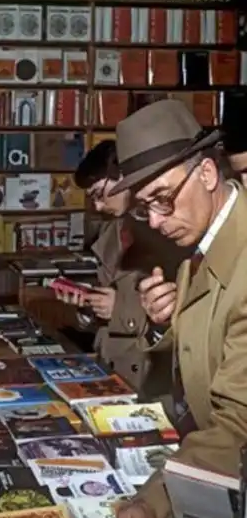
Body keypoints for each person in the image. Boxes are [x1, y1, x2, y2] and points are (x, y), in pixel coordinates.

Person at [107, 100, 247, 518]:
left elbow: (238, 426)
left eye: (163, 199)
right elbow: (203, 353)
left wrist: (152, 502)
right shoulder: (199, 246)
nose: (155, 221)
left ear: (206, 173)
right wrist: (162, 325)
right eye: (144, 207)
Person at [57, 140, 181, 393]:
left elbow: (180, 303)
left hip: (151, 371)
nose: (97, 206)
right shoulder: (112, 231)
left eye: (99, 195)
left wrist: (120, 308)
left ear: (124, 177)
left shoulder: (168, 228)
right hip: (113, 365)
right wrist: (89, 307)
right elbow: (110, 301)